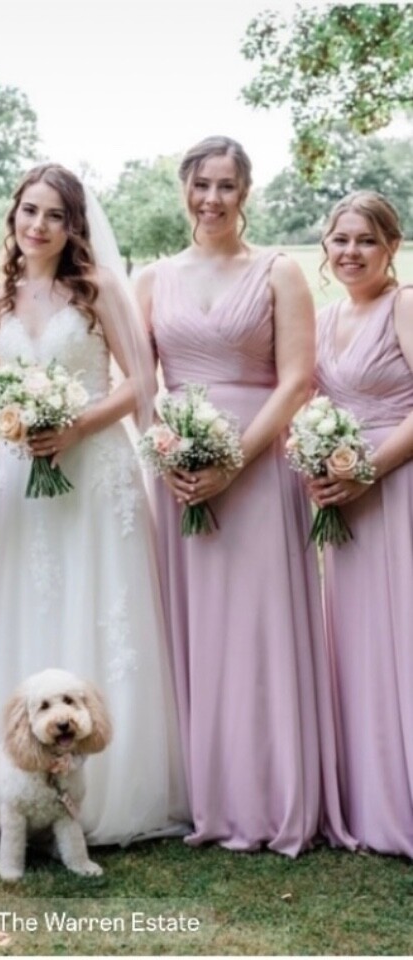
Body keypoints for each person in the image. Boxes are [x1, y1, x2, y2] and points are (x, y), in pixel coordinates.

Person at [0, 162, 189, 845]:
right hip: (26, 479)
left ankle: (110, 791)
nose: (37, 225)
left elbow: (140, 382)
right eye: (28, 211)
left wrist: (76, 424)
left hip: (96, 469)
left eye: (53, 214)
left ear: (73, 225)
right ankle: (23, 783)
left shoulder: (97, 288)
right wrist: (16, 425)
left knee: (101, 607)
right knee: (33, 602)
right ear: (13, 217)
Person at [136, 135, 354, 857]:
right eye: (200, 184)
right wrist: (164, 451)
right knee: (191, 631)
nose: (212, 199)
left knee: (260, 629)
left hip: (258, 470)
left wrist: (232, 462)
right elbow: (142, 385)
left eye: (226, 186)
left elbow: (296, 380)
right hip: (179, 472)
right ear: (183, 190)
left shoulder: (278, 272)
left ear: (246, 193)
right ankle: (204, 794)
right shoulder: (154, 279)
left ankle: (271, 796)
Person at [309, 191, 413, 857]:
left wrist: (365, 471)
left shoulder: (404, 305)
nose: (351, 252)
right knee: (359, 643)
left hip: (396, 486)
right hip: (343, 501)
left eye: (365, 240)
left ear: (391, 248)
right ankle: (369, 799)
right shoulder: (323, 321)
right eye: (340, 239)